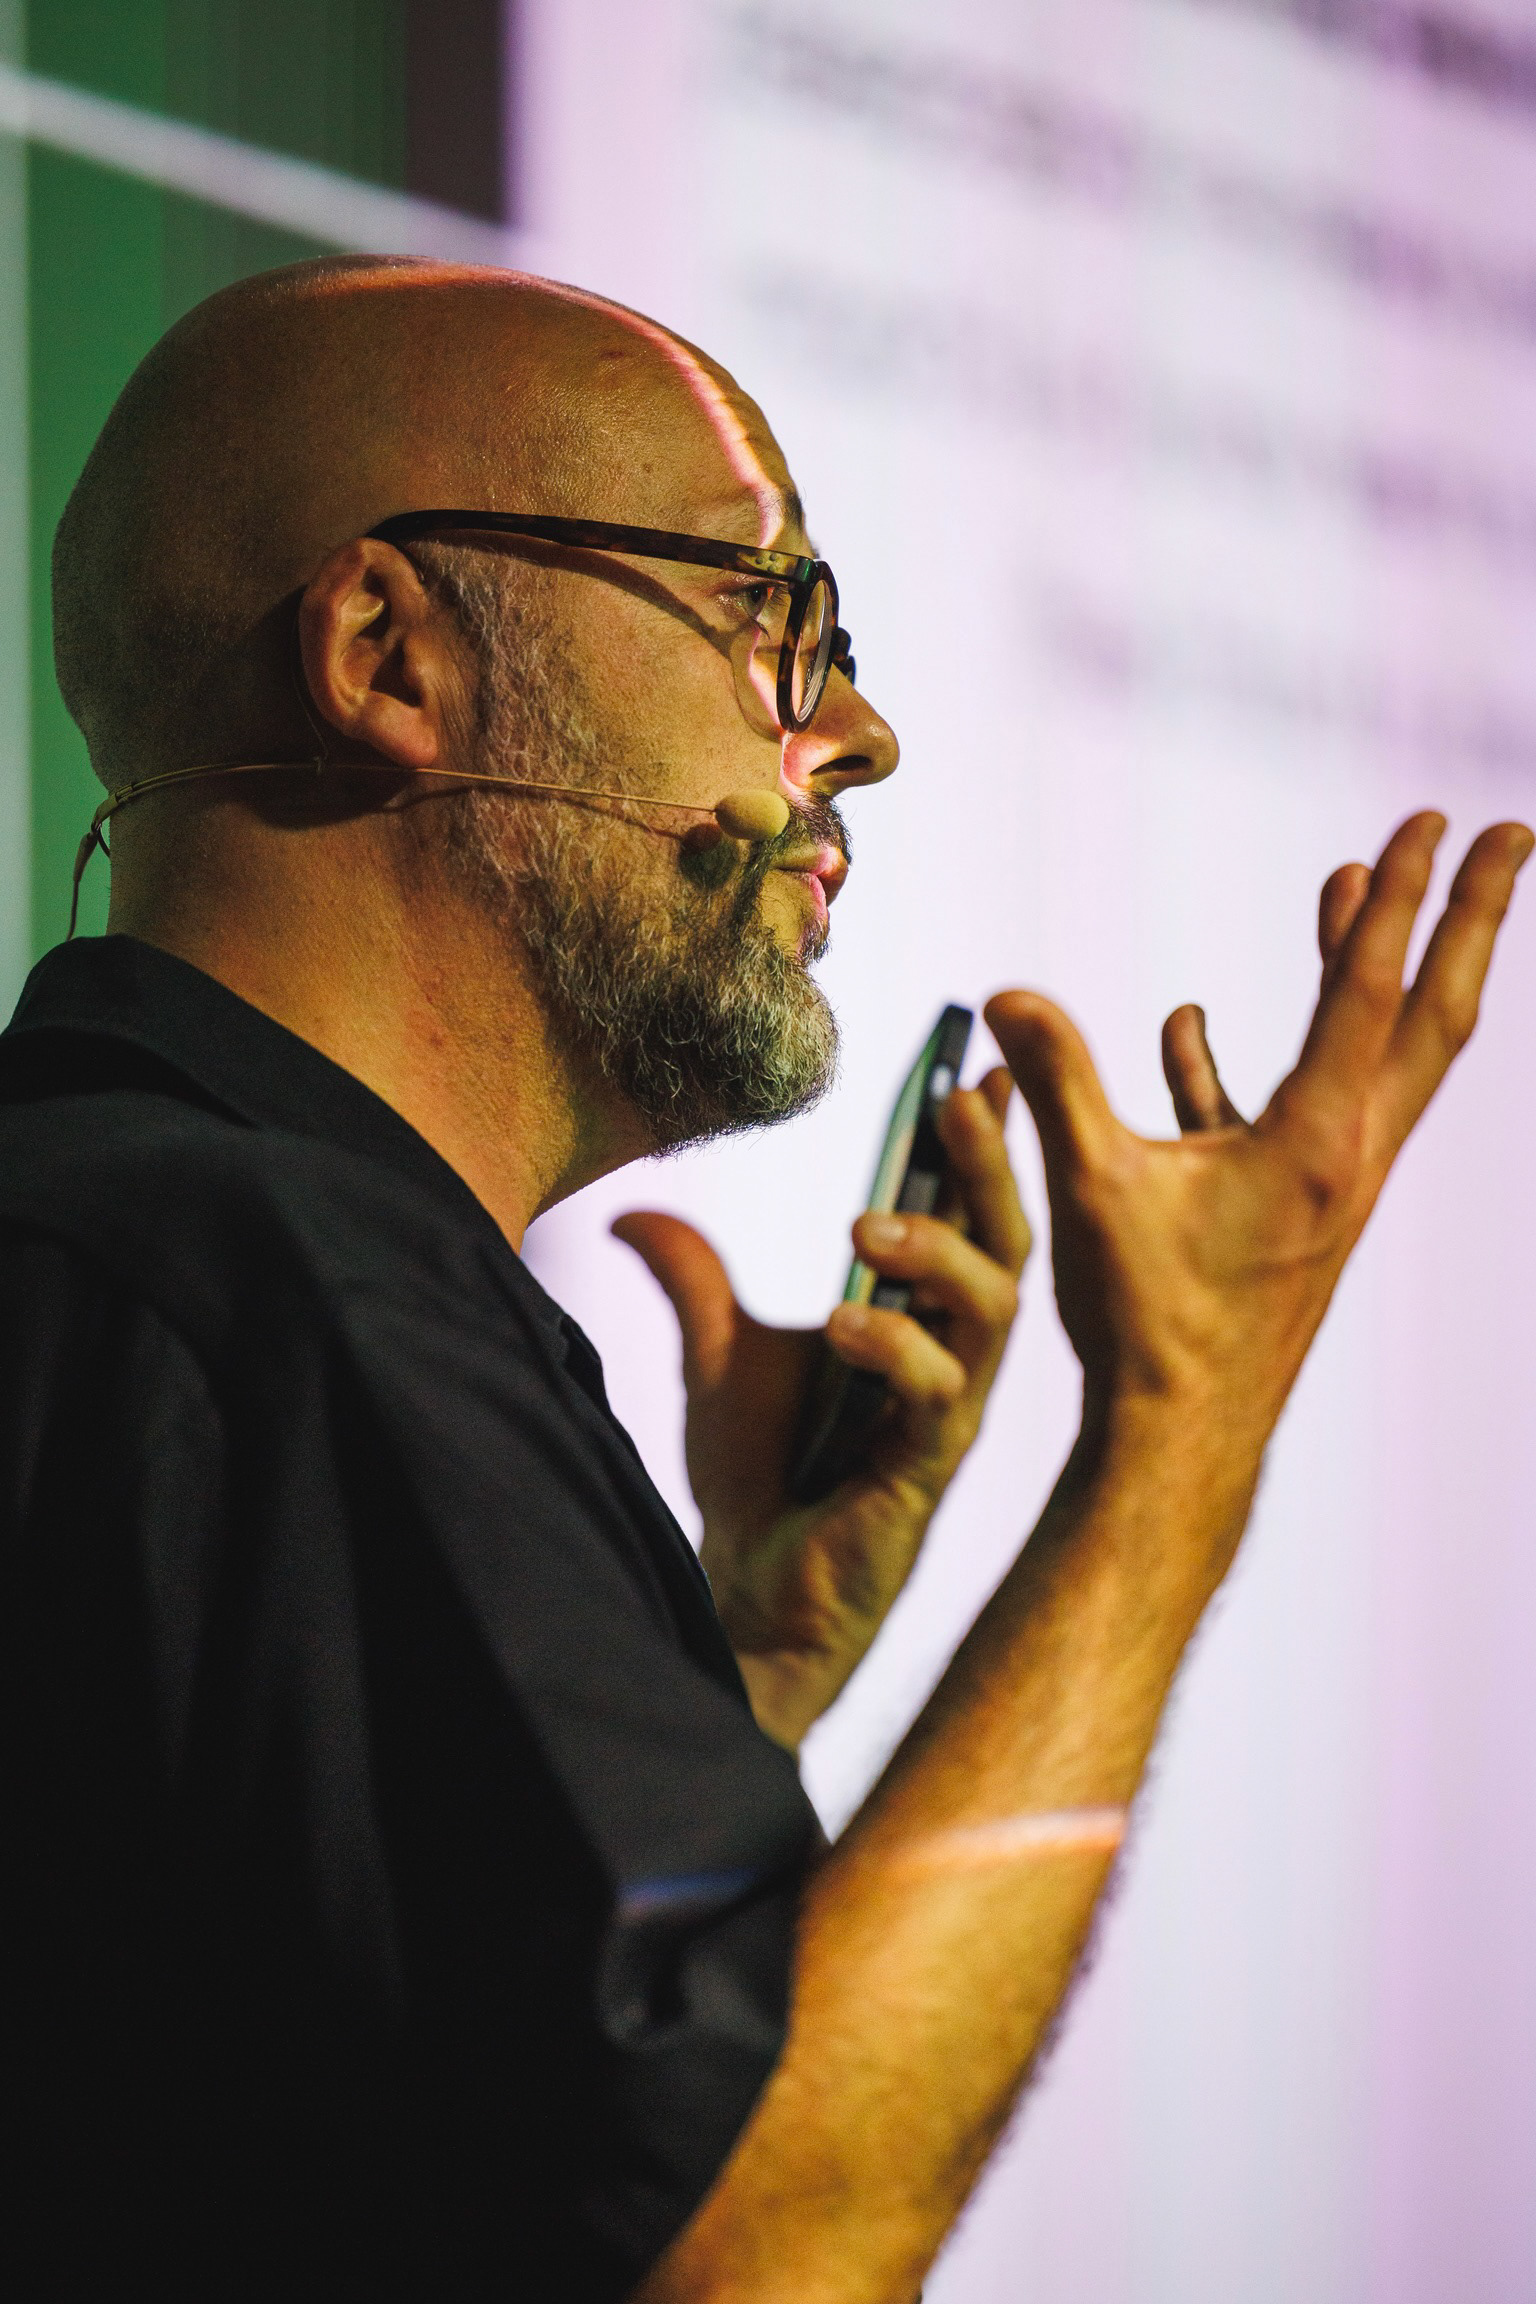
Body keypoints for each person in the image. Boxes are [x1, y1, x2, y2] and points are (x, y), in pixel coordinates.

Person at [0, 256, 1525, 2304]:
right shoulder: (284, 1291)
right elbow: (745, 2256)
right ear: (386, 653)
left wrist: (734, 1673)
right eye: (766, 616)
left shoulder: (119, 1233)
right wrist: (1182, 1429)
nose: (859, 733)